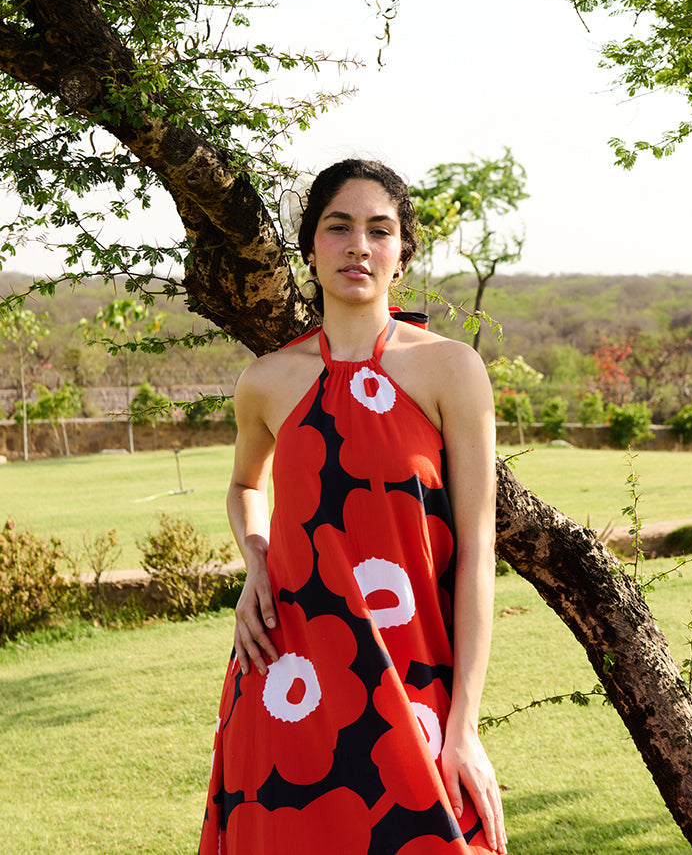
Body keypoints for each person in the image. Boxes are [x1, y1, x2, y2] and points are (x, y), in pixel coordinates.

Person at [198, 159, 506, 855]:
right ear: (310, 248)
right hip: (286, 681)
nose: (357, 246)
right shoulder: (267, 380)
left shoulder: (450, 369)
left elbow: (477, 553)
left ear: (401, 255)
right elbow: (247, 486)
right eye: (338, 228)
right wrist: (255, 561)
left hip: (413, 677)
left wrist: (464, 727)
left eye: (378, 230)